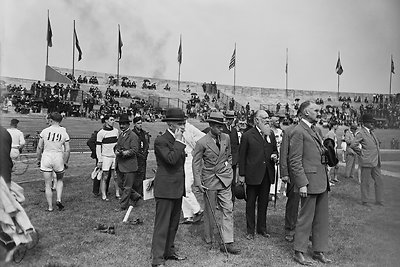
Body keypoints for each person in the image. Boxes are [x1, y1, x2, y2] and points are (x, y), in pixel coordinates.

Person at [289, 101, 332, 265]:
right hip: (308, 182)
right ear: (305, 112)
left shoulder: (314, 130)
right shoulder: (299, 131)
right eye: (315, 110)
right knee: (305, 218)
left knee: (321, 218)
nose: (318, 112)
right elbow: (294, 161)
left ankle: (318, 250)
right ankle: (298, 251)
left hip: (321, 181)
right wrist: (301, 183)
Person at [193, 112, 240, 255]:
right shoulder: (202, 142)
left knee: (228, 209)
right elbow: (196, 163)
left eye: (222, 126)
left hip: (225, 179)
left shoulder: (225, 138)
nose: (222, 129)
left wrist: (228, 169)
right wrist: (198, 181)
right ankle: (209, 240)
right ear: (211, 126)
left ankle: (227, 242)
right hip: (210, 181)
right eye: (219, 127)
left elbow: (230, 155)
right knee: (210, 211)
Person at [151, 108, 187, 267]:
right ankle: (157, 259)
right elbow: (171, 160)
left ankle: (169, 251)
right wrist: (179, 142)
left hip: (177, 188)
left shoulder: (178, 139)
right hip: (165, 189)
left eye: (184, 123)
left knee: (173, 224)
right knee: (162, 225)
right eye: (180, 124)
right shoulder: (161, 140)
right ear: (170, 124)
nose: (183, 126)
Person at [239, 110, 278, 240]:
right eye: (264, 118)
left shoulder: (270, 134)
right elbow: (242, 156)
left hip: (266, 174)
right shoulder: (247, 135)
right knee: (250, 203)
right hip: (252, 175)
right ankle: (250, 230)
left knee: (263, 203)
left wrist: (274, 156)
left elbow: (274, 150)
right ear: (256, 120)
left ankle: (262, 228)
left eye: (268, 118)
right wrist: (242, 175)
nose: (268, 120)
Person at [36, 112, 71, 212]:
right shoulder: (64, 132)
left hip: (47, 156)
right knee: (59, 180)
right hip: (58, 157)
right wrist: (66, 162)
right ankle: (59, 199)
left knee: (47, 184)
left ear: (51, 120)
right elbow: (67, 150)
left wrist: (38, 159)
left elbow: (39, 147)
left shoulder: (45, 131)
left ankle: (50, 207)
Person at [350, 114, 383, 207]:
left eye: (373, 122)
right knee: (366, 182)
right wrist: (361, 152)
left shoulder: (372, 132)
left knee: (379, 181)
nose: (373, 124)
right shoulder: (361, 132)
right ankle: (365, 201)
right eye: (370, 122)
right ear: (365, 123)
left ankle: (379, 200)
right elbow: (353, 144)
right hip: (367, 161)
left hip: (376, 161)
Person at [114, 114, 141, 211]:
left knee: (127, 187)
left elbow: (134, 150)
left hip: (129, 165)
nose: (121, 126)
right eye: (120, 124)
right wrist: (116, 151)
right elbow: (118, 146)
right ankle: (135, 196)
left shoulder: (133, 136)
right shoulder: (121, 134)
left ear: (128, 125)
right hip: (121, 164)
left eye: (124, 124)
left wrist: (124, 153)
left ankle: (123, 206)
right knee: (121, 184)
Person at [280, 116, 300, 243]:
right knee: (293, 201)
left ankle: (306, 229)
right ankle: (290, 229)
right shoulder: (289, 131)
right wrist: (284, 173)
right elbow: (283, 153)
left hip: (310, 171)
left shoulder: (315, 130)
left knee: (308, 203)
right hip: (294, 172)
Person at [181, 122, 205, 224]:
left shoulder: (190, 128)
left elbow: (204, 139)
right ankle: (188, 216)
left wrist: (196, 150)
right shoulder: (175, 128)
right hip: (180, 159)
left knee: (186, 187)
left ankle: (197, 210)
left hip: (189, 159)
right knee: (180, 186)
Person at [96, 114, 120, 201]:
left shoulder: (116, 131)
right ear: (106, 121)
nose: (113, 121)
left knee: (116, 176)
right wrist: (100, 159)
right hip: (106, 157)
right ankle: (103, 195)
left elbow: (117, 144)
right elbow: (98, 147)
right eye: (111, 119)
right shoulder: (101, 133)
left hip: (114, 157)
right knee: (105, 176)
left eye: (113, 119)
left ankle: (117, 193)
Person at [222, 110, 240, 205]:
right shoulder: (222, 130)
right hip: (223, 160)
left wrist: (236, 159)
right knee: (223, 181)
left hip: (233, 160)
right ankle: (222, 200)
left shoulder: (234, 130)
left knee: (232, 181)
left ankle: (232, 200)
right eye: (228, 119)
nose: (230, 121)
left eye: (231, 119)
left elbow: (236, 145)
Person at [132, 116, 149, 197]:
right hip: (136, 157)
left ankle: (142, 192)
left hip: (143, 156)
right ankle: (136, 192)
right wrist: (139, 154)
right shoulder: (132, 133)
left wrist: (145, 153)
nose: (140, 125)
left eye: (141, 123)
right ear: (134, 124)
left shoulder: (144, 133)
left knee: (142, 174)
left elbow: (146, 144)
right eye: (138, 123)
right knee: (136, 175)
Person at [269, 117, 283, 201]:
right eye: (276, 121)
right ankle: (271, 192)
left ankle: (277, 191)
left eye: (278, 121)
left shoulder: (280, 132)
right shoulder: (269, 132)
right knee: (272, 172)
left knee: (279, 173)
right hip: (272, 154)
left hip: (280, 153)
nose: (278, 122)